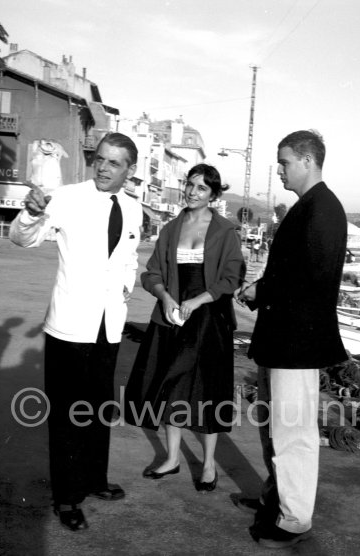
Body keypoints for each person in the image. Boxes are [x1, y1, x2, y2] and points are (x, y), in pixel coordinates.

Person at [9, 132, 142, 532]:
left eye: (113, 163)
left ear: (129, 171)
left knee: (99, 409)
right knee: (68, 414)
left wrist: (125, 287)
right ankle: (67, 496)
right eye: (99, 159)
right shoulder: (67, 197)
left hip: (108, 325)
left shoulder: (134, 209)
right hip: (69, 326)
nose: (102, 167)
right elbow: (22, 238)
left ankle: (94, 479)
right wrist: (31, 214)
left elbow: (129, 258)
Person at [237, 130, 348, 549]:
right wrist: (262, 289)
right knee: (275, 428)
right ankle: (277, 500)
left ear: (306, 160)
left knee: (293, 434)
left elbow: (308, 280)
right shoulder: (312, 207)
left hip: (297, 344)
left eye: (283, 162)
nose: (279, 169)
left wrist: (260, 291)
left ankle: (295, 519)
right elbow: (295, 272)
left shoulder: (322, 210)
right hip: (285, 339)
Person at [124, 163, 245, 492]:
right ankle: (173, 458)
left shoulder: (224, 231)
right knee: (170, 387)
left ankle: (208, 466)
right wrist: (164, 297)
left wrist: (198, 301)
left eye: (202, 188)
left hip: (210, 319)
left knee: (206, 393)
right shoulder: (170, 229)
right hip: (172, 317)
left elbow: (232, 278)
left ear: (213, 195)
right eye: (190, 185)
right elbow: (151, 273)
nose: (193, 192)